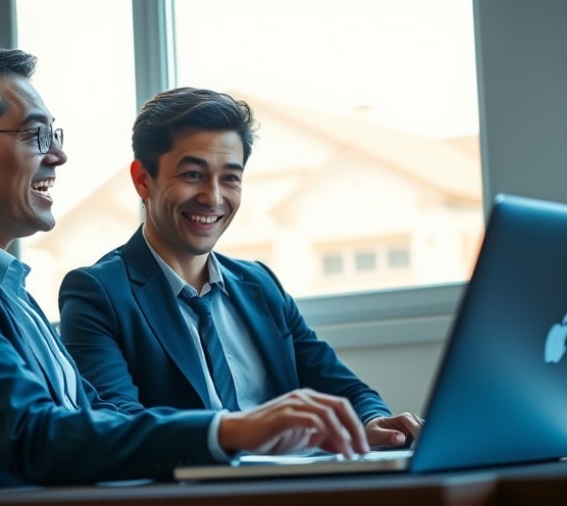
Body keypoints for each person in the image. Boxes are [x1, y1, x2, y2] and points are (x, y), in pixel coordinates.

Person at [0, 48, 371, 496]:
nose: (58, 156)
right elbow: (37, 438)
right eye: (35, 135)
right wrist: (232, 430)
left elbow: (91, 423)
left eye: (54, 135)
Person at [57, 87, 424, 450]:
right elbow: (117, 423)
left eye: (230, 177)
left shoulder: (260, 285)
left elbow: (344, 389)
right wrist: (237, 430)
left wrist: (374, 421)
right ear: (142, 179)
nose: (214, 197)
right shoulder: (97, 293)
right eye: (192, 175)